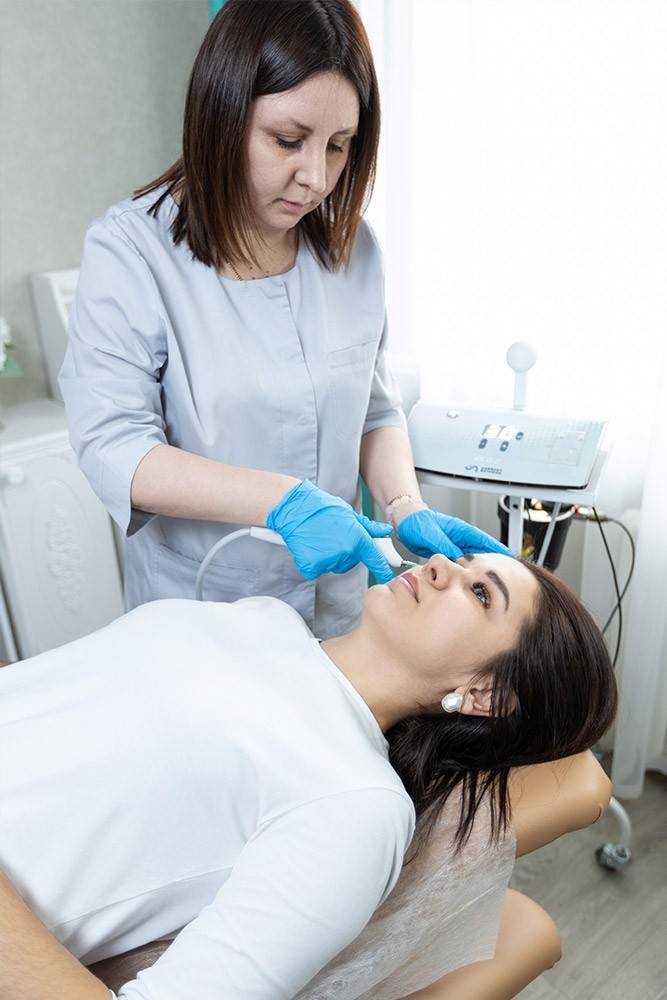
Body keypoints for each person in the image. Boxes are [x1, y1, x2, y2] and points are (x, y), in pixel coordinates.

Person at [58, 0, 509, 638]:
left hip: (337, 606)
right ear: (222, 114)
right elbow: (116, 447)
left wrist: (402, 502)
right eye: (288, 141)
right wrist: (283, 502)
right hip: (203, 609)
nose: (316, 178)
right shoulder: (132, 252)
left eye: (339, 146)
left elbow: (374, 412)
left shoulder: (353, 249)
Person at [0, 554, 617, 1000]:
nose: (438, 567)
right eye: (460, 561)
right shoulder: (265, 617)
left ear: (485, 695)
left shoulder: (357, 807)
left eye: (480, 593)